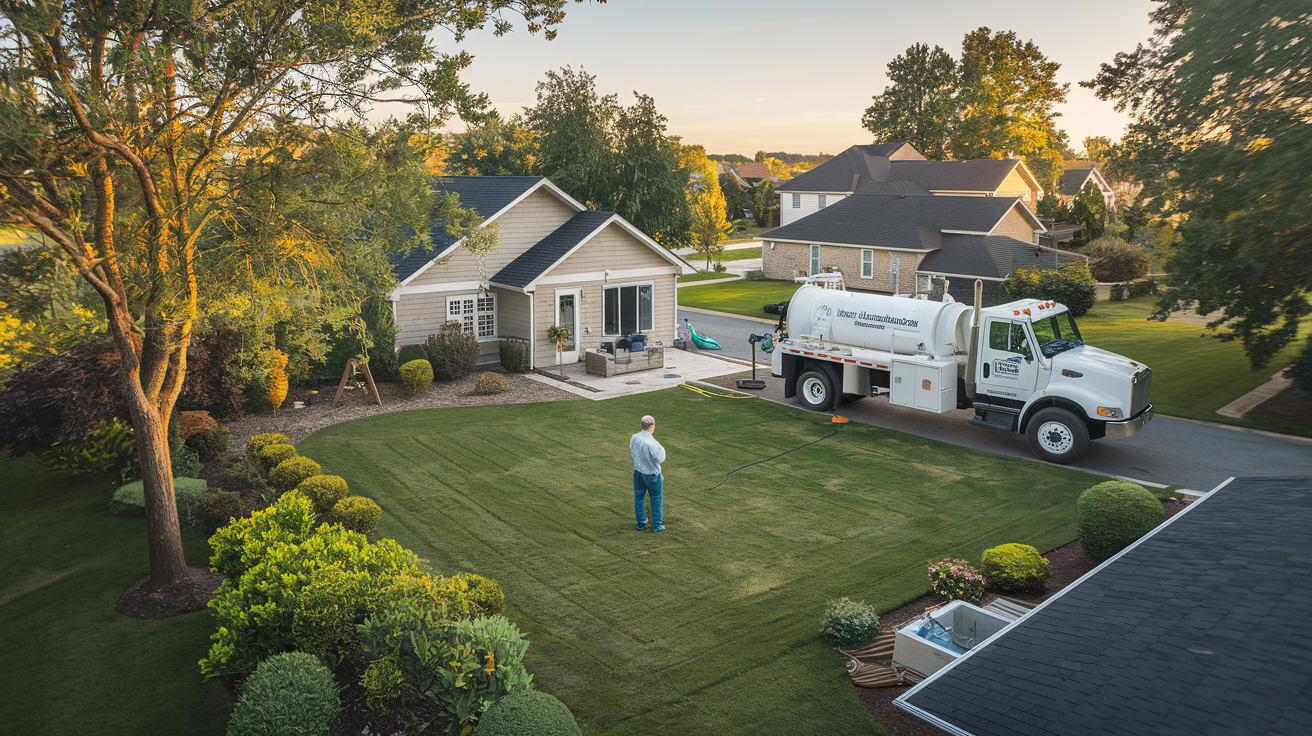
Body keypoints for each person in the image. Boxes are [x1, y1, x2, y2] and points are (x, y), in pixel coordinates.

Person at [630, 415, 666, 531]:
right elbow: (660, 458)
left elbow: (632, 449)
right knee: (656, 498)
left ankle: (641, 522)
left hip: (638, 472)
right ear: (653, 425)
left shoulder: (634, 437)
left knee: (639, 496)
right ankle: (657, 524)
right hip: (651, 474)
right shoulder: (652, 443)